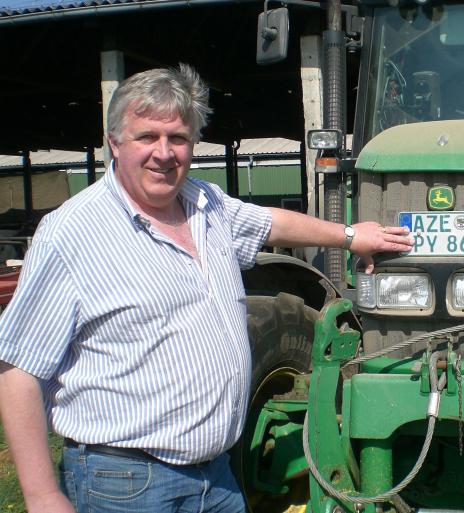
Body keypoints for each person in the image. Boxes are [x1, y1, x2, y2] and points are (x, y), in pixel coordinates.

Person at [0, 64, 413, 513]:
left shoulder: (206, 203)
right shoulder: (72, 233)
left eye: (178, 138)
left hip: (216, 477)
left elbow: (272, 221)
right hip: (124, 483)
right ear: (115, 143)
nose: (164, 153)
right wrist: (42, 495)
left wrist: (351, 236)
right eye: (147, 137)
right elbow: (18, 370)